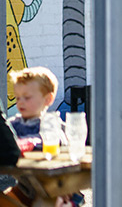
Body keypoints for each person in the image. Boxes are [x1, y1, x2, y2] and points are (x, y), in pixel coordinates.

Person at [5, 67, 82, 206]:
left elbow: (60, 147)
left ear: (48, 99)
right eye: (17, 98)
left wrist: (33, 143)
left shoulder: (53, 125)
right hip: (25, 189)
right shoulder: (13, 125)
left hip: (54, 187)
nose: (20, 102)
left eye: (27, 97)